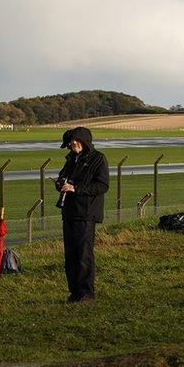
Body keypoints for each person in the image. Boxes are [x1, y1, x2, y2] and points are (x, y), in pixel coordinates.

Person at [55, 126, 109, 303]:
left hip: (86, 213)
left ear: (85, 141)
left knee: (84, 254)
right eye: (71, 142)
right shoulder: (71, 158)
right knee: (70, 255)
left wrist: (76, 188)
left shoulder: (98, 159)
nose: (73, 144)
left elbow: (102, 186)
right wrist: (60, 183)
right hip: (69, 211)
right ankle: (74, 292)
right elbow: (63, 176)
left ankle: (87, 293)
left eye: (76, 141)